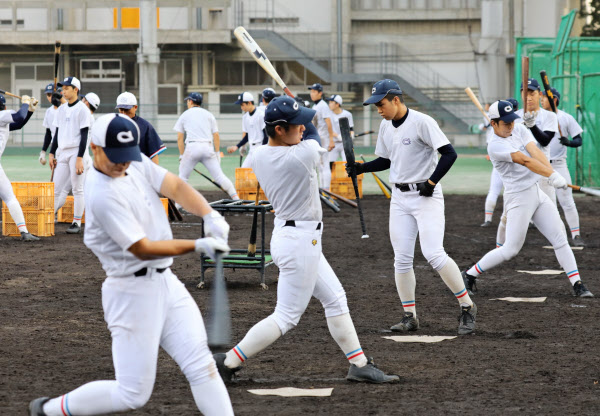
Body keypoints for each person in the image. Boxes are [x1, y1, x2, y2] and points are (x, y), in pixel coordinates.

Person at [28, 113, 234, 416]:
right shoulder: (101, 195)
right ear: (95, 148)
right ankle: (48, 410)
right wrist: (197, 245)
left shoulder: (132, 159)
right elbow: (142, 248)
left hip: (167, 283)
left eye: (126, 156)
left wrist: (209, 214)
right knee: (132, 394)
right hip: (131, 293)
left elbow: (174, 186)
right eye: (115, 158)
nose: (123, 164)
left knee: (202, 366)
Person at [213, 96, 399, 384]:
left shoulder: (259, 154)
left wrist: (294, 110)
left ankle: (359, 363)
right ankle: (228, 362)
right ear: (278, 130)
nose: (302, 128)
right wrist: (300, 113)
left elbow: (304, 128)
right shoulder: (301, 155)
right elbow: (312, 133)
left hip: (295, 238)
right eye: (295, 125)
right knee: (286, 316)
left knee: (336, 299)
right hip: (300, 243)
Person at [346, 79, 477, 335]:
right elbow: (386, 159)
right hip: (400, 199)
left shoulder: (422, 122)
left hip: (426, 196)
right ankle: (410, 316)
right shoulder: (385, 126)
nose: (379, 110)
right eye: (376, 106)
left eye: (381, 104)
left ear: (396, 99)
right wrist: (362, 168)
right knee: (402, 260)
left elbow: (449, 153)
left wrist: (431, 182)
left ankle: (467, 306)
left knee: (434, 254)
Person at [461, 101, 593, 298]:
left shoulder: (519, 129)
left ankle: (577, 284)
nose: (511, 126)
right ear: (494, 123)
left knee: (560, 239)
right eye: (506, 123)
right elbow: (525, 160)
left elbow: (535, 152)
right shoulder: (495, 145)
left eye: (512, 121)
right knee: (510, 250)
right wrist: (552, 176)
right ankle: (470, 274)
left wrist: (551, 173)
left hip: (536, 191)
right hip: (518, 197)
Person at [541, 88, 585, 247]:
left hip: (559, 165)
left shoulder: (566, 118)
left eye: (544, 97)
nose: (541, 99)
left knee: (567, 200)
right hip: (541, 166)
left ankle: (576, 234)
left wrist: (569, 143)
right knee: (542, 202)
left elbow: (579, 140)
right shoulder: (538, 117)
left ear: (554, 100)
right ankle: (554, 236)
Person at [174, 92, 239, 200]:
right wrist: (217, 153)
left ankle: (178, 204)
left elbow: (179, 138)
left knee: (183, 178)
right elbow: (216, 135)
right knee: (219, 176)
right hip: (207, 147)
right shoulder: (209, 115)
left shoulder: (184, 115)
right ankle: (236, 198)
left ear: (190, 101)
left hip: (192, 147)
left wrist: (182, 155)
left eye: (188, 101)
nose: (187, 103)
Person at [48, 77, 90, 234]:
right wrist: (52, 153)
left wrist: (80, 158)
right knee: (57, 189)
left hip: (76, 152)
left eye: (67, 88)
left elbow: (84, 136)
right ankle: (47, 215)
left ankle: (76, 222)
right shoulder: (62, 109)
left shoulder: (82, 110)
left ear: (76, 90)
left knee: (77, 189)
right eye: (62, 88)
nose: (63, 91)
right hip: (63, 152)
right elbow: (57, 133)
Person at [0, 94, 39, 241]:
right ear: (3, 106)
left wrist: (29, 111)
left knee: (8, 197)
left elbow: (18, 124)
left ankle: (24, 232)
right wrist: (25, 103)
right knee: (9, 197)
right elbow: (18, 117)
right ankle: (24, 232)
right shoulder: (2, 115)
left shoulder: (2, 119)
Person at [116, 92, 166, 164]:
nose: (123, 113)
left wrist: (153, 174)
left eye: (126, 109)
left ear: (135, 107)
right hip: (119, 171)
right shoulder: (113, 125)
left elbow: (154, 154)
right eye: (121, 109)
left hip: (140, 170)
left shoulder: (145, 126)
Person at [226, 91, 267, 168]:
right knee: (243, 170)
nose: (241, 107)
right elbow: (247, 136)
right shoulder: (245, 117)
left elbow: (266, 135)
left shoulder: (260, 115)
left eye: (242, 105)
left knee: (260, 173)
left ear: (249, 103)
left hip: (260, 147)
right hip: (252, 149)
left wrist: (264, 150)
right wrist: (237, 146)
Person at [308, 83, 335, 190]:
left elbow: (328, 122)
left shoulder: (323, 105)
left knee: (325, 164)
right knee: (320, 165)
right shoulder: (315, 106)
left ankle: (326, 189)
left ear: (320, 93)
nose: (312, 94)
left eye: (314, 91)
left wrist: (331, 140)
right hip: (318, 137)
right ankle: (322, 189)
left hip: (324, 138)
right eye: (311, 91)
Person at [39, 83, 64, 166]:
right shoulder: (49, 111)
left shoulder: (65, 108)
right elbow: (48, 133)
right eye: (48, 95)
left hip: (66, 146)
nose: (50, 97)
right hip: (55, 147)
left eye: (51, 94)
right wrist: (43, 151)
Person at [326, 94, 354, 166]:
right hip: (333, 143)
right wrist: (337, 135)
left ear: (337, 104)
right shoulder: (327, 115)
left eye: (331, 102)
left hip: (345, 144)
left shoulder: (347, 114)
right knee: (330, 165)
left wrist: (351, 135)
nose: (329, 104)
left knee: (347, 165)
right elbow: (327, 129)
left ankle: (347, 177)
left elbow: (351, 129)